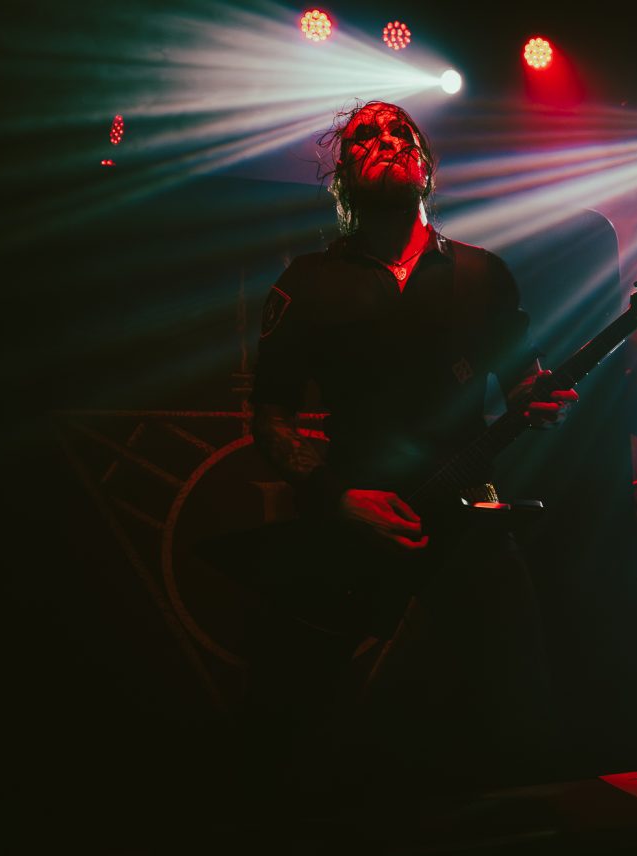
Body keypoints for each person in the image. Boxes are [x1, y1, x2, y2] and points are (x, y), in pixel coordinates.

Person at [242, 100, 577, 812]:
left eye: (402, 133)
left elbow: (523, 383)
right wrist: (336, 497)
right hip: (358, 520)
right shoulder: (306, 282)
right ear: (343, 174)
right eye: (367, 135)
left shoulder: (483, 274)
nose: (388, 140)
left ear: (425, 165)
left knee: (513, 705)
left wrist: (541, 401)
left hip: (470, 513)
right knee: (336, 726)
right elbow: (270, 417)